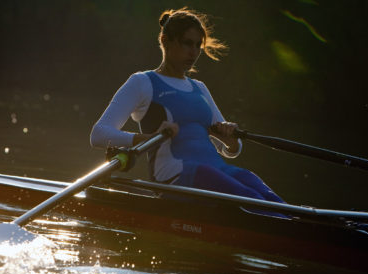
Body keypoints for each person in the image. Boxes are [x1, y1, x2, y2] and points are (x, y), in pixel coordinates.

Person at [90, 7, 285, 205]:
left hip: (215, 171)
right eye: (187, 44)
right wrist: (149, 139)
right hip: (174, 175)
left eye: (198, 45)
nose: (194, 52)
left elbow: (231, 149)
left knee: (265, 194)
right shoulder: (142, 82)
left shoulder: (199, 88)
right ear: (165, 41)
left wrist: (229, 138)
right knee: (249, 198)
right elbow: (98, 134)